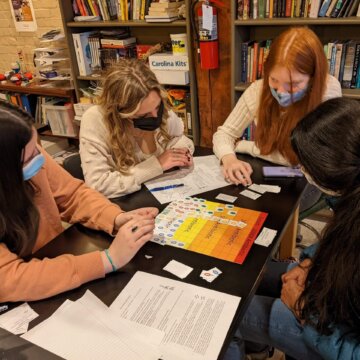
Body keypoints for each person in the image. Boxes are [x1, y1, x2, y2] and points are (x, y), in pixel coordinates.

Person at [224, 97, 360, 360]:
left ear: (336, 171)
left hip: (331, 334)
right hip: (331, 297)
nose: (302, 172)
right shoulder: (350, 194)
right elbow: (341, 241)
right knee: (246, 272)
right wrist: (310, 261)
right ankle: (260, 348)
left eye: (307, 167)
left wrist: (301, 310)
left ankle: (251, 340)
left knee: (227, 314)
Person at [0, 102, 158, 302]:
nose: (40, 158)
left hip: (54, 262)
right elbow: (11, 280)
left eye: (37, 147)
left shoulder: (30, 152)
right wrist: (108, 259)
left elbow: (72, 194)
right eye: (30, 156)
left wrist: (116, 218)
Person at [213, 27, 342, 190]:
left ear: (313, 79)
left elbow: (320, 163)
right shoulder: (257, 91)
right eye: (273, 80)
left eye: (293, 84)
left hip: (309, 177)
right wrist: (229, 159)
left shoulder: (327, 91)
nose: (280, 92)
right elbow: (224, 134)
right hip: (271, 167)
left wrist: (246, 147)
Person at [80, 59, 195, 198]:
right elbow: (98, 186)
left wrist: (181, 152)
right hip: (125, 204)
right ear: (121, 111)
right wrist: (157, 165)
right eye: (144, 114)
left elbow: (180, 138)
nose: (154, 116)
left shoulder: (156, 107)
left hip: (160, 194)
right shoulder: (95, 120)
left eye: (158, 107)